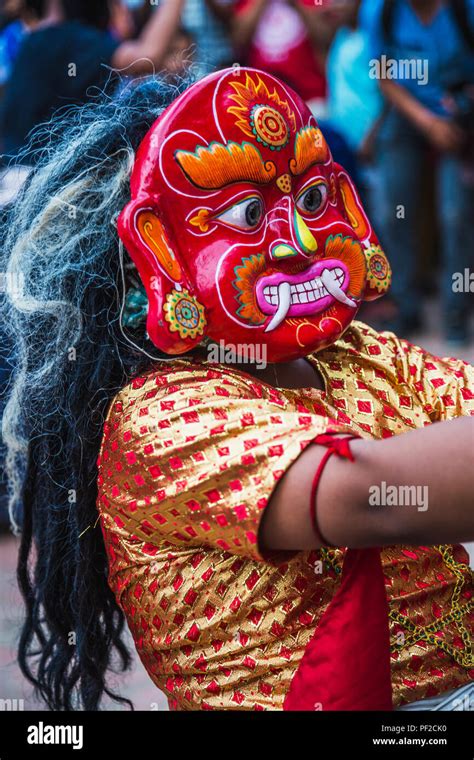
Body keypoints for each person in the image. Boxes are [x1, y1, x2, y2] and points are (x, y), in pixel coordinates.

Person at [1, 67, 473, 712]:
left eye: (311, 202)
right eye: (248, 214)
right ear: (161, 250)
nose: (301, 241)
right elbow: (371, 497)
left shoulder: (360, 355)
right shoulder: (160, 418)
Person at [360, 0, 474, 343]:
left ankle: (455, 316)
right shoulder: (380, 9)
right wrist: (427, 123)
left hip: (463, 114)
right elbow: (382, 76)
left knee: (456, 215)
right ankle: (404, 308)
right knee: (394, 207)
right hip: (407, 112)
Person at [0, 0, 184, 157]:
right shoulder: (68, 39)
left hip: (20, 175)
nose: (123, 11)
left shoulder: (40, 39)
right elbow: (146, 57)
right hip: (34, 179)